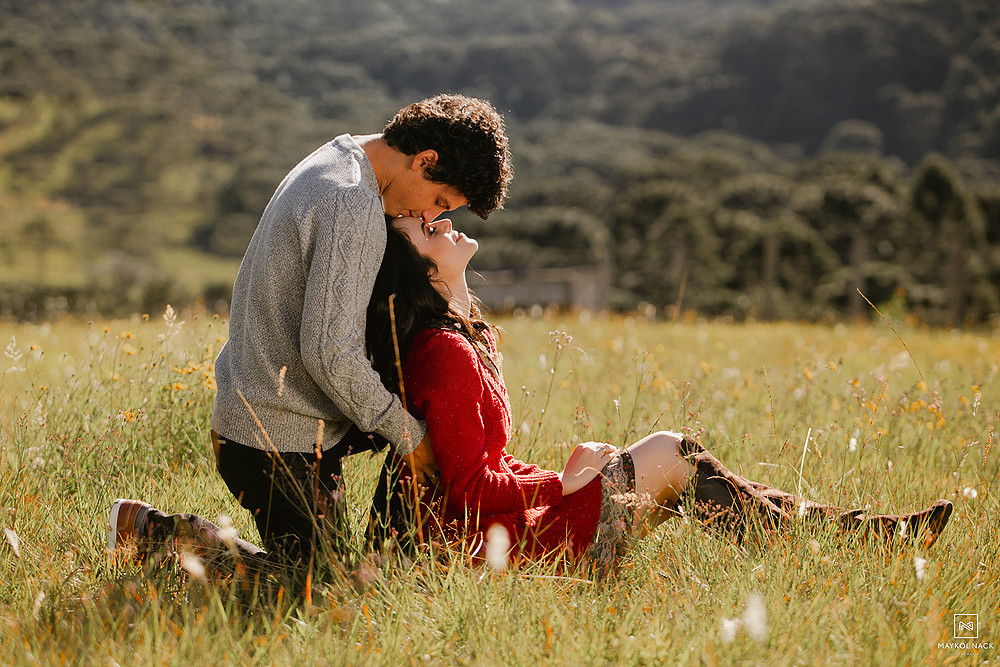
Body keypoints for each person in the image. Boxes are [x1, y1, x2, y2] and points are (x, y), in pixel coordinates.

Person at [365, 216, 954, 573]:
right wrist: (561, 485)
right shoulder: (442, 354)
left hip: (514, 523)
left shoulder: (471, 336)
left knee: (683, 455)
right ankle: (852, 538)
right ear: (417, 269)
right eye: (426, 229)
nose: (443, 221)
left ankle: (850, 534)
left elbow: (488, 459)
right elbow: (467, 487)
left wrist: (569, 470)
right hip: (495, 546)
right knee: (671, 451)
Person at [107, 94, 515, 576]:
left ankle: (399, 565)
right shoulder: (353, 203)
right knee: (322, 590)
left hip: (279, 417)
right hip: (273, 440)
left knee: (350, 560)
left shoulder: (341, 156)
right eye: (440, 201)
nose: (431, 217)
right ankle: (156, 532)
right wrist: (407, 434)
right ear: (425, 161)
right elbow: (329, 353)